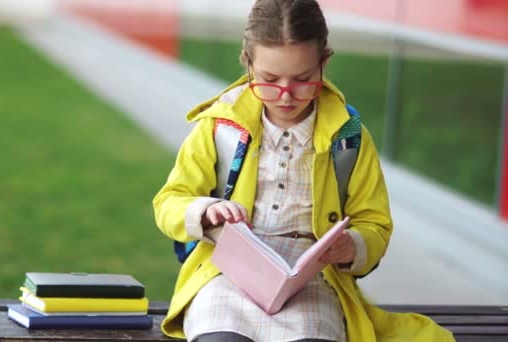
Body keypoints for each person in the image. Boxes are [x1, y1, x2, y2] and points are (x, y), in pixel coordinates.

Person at [153, 0, 455, 341]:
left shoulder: (348, 138)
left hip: (312, 282)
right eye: (268, 79)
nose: (285, 96)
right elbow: (169, 202)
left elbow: (376, 223)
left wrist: (352, 246)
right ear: (247, 61)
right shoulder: (219, 127)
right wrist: (207, 212)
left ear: (323, 62)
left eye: (303, 80)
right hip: (225, 276)